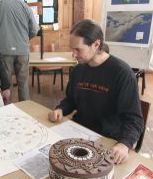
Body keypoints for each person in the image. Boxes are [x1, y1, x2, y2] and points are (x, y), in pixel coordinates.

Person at [48, 19, 144, 164]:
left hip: (108, 138)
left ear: (96, 45)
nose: (73, 55)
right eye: (71, 49)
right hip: (79, 131)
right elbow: (71, 101)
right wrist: (61, 109)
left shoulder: (122, 73)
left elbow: (134, 120)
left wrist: (124, 144)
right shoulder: (78, 70)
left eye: (78, 49)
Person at [0, 0, 39, 101]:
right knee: (23, 84)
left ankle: (7, 111)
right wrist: (25, 38)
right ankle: (25, 110)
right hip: (22, 51)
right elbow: (35, 30)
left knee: (6, 85)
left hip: (4, 50)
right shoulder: (26, 7)